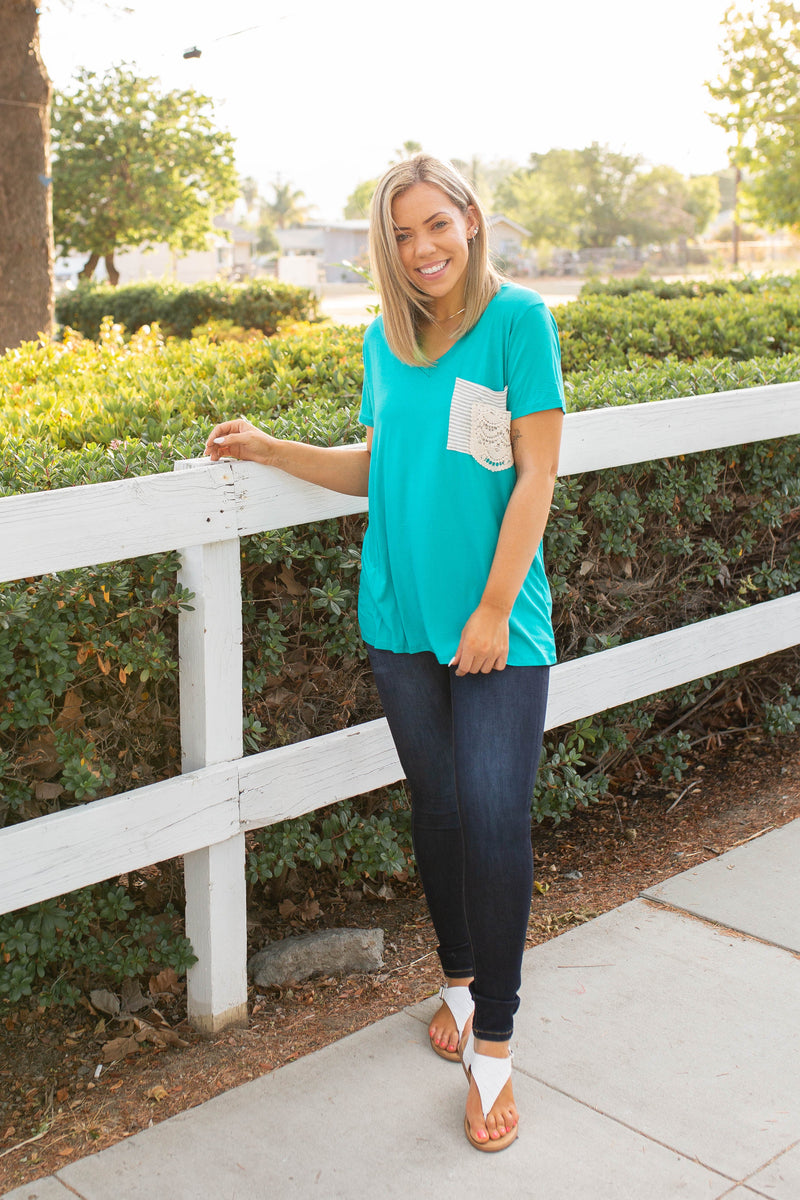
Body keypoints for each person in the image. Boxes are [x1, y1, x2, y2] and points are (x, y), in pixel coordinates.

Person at [205, 154, 565, 1153]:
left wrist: (491, 611)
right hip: (398, 616)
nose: (422, 249)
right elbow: (378, 463)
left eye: (435, 225)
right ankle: (454, 983)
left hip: (495, 624)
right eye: (401, 235)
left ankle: (492, 1047)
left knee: (494, 821)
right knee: (438, 809)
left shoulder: (518, 323)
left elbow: (535, 474)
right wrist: (274, 449)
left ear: (469, 218)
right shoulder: (382, 339)